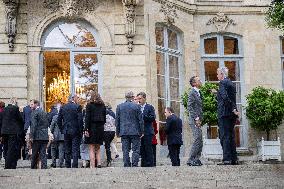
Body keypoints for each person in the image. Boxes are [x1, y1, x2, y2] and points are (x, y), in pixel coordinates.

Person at [216, 67, 239, 165]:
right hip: (231, 114)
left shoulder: (222, 83)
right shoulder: (231, 83)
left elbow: (225, 98)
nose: (217, 76)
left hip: (225, 113)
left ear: (222, 74)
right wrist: (233, 109)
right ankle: (234, 159)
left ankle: (226, 159)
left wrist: (232, 108)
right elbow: (228, 96)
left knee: (224, 136)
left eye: (218, 74)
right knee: (231, 136)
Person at [116, 91, 144, 167]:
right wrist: (142, 131)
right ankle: (135, 164)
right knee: (136, 150)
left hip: (124, 132)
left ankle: (126, 164)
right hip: (135, 132)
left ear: (125, 97)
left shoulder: (119, 106)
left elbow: (117, 121)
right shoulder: (137, 106)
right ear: (132, 97)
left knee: (125, 150)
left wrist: (117, 132)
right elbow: (140, 120)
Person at [58, 95, 83, 168]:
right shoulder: (78, 107)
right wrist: (81, 130)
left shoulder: (63, 107)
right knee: (75, 149)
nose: (78, 99)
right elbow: (80, 120)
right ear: (73, 99)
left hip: (66, 131)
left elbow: (59, 120)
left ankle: (67, 165)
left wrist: (62, 129)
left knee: (67, 149)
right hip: (75, 131)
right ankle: (74, 165)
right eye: (77, 98)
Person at [84, 92, 106, 168]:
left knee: (91, 147)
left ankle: (92, 165)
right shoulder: (103, 105)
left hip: (91, 127)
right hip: (100, 128)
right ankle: (99, 163)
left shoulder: (89, 105)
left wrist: (86, 129)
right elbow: (104, 119)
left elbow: (87, 118)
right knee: (98, 147)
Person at [1, 98, 24, 169]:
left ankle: (7, 164)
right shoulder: (15, 109)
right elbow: (20, 119)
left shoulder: (4, 109)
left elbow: (1, 121)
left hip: (4, 132)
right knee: (11, 149)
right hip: (12, 132)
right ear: (14, 102)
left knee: (6, 148)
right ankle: (8, 166)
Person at [187, 76, 203, 166]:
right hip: (194, 120)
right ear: (194, 83)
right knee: (197, 138)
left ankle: (197, 158)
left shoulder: (198, 92)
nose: (200, 81)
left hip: (198, 120)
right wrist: (196, 118)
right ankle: (191, 159)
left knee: (200, 139)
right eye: (199, 80)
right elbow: (190, 106)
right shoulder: (192, 92)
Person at [137, 92, 156, 167]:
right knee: (141, 149)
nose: (139, 100)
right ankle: (143, 164)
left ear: (144, 98)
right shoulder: (137, 107)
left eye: (140, 98)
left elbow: (152, 117)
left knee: (148, 148)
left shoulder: (150, 107)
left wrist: (143, 116)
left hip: (148, 131)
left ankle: (150, 164)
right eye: (138, 99)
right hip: (139, 132)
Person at [30, 100, 49, 169]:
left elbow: (33, 125)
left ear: (36, 104)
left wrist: (31, 136)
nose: (30, 106)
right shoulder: (44, 112)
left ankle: (33, 167)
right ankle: (44, 167)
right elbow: (47, 123)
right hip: (44, 136)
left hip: (37, 136)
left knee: (34, 153)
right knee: (43, 153)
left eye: (32, 104)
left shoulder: (34, 113)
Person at [50, 103, 64, 168]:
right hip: (62, 136)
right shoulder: (64, 117)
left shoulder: (55, 117)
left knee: (53, 149)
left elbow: (52, 127)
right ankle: (60, 164)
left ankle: (54, 163)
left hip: (55, 136)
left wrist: (51, 134)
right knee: (61, 150)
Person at [104, 102, 116, 166]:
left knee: (107, 146)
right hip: (112, 131)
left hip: (106, 131)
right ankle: (114, 155)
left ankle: (109, 160)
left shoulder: (104, 112)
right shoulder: (113, 113)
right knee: (109, 143)